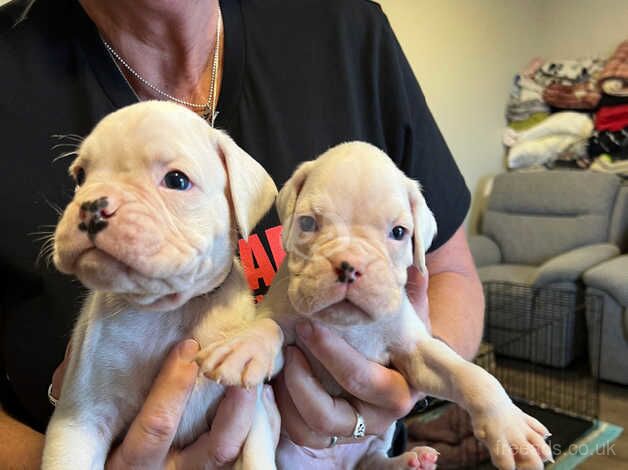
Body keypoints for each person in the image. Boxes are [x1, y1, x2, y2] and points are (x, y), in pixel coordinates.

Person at [0, 0, 484, 467]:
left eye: (174, 179)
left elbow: (447, 269)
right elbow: (83, 418)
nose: (94, 203)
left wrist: (392, 383)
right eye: (81, 176)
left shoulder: (346, 29)